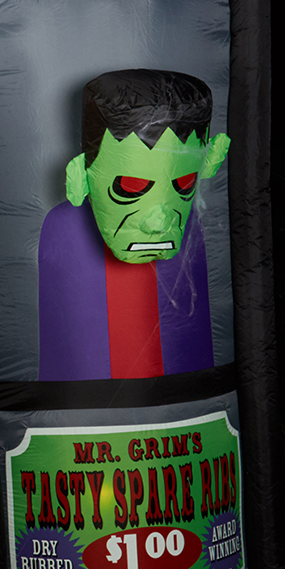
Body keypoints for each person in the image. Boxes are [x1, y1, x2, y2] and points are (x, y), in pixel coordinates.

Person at [37, 67, 229, 380]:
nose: (158, 224)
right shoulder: (64, 230)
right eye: (131, 186)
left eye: (185, 183)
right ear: (80, 178)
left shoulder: (197, 233)